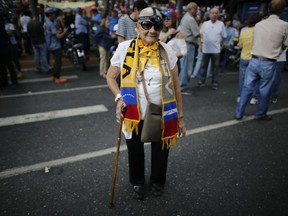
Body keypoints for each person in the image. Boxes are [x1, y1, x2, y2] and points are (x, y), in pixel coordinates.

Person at [106, 7, 186, 200]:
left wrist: (180, 117)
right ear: (137, 26)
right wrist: (119, 97)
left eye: (156, 26)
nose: (151, 30)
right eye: (146, 24)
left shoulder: (167, 51)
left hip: (161, 111)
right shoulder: (124, 48)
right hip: (132, 111)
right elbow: (110, 77)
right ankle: (138, 182)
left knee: (161, 149)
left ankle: (158, 182)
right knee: (134, 150)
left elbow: (176, 88)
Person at [235, 0, 288, 121]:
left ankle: (239, 113)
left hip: (254, 59)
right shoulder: (284, 25)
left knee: (247, 87)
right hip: (269, 62)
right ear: (281, 11)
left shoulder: (259, 24)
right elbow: (285, 44)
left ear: (268, 10)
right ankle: (260, 114)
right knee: (265, 90)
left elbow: (254, 41)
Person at [197, 7, 227, 90]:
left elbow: (224, 36)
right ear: (209, 14)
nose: (214, 14)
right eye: (213, 13)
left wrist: (221, 46)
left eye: (216, 13)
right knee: (203, 66)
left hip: (216, 50)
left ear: (218, 15)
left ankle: (214, 82)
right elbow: (201, 35)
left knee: (215, 67)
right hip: (206, 49)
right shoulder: (205, 24)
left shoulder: (221, 24)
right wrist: (200, 45)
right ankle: (201, 81)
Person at [236, 13, 262, 103]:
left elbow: (240, 46)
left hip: (243, 57)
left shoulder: (244, 31)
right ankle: (254, 98)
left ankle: (240, 96)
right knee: (255, 79)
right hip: (255, 58)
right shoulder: (259, 31)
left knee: (242, 78)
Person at [179, 2, 201, 95]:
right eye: (195, 9)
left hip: (184, 44)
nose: (196, 11)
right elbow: (197, 34)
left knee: (184, 66)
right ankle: (183, 87)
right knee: (187, 67)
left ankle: (182, 86)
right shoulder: (190, 19)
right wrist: (201, 45)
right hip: (189, 45)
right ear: (190, 9)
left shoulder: (185, 17)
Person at [44, 7, 68, 83]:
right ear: (50, 14)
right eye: (53, 13)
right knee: (58, 62)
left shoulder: (46, 22)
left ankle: (54, 77)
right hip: (55, 46)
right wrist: (65, 31)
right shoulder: (51, 24)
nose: (55, 15)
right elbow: (58, 36)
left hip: (50, 45)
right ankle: (57, 78)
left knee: (55, 62)